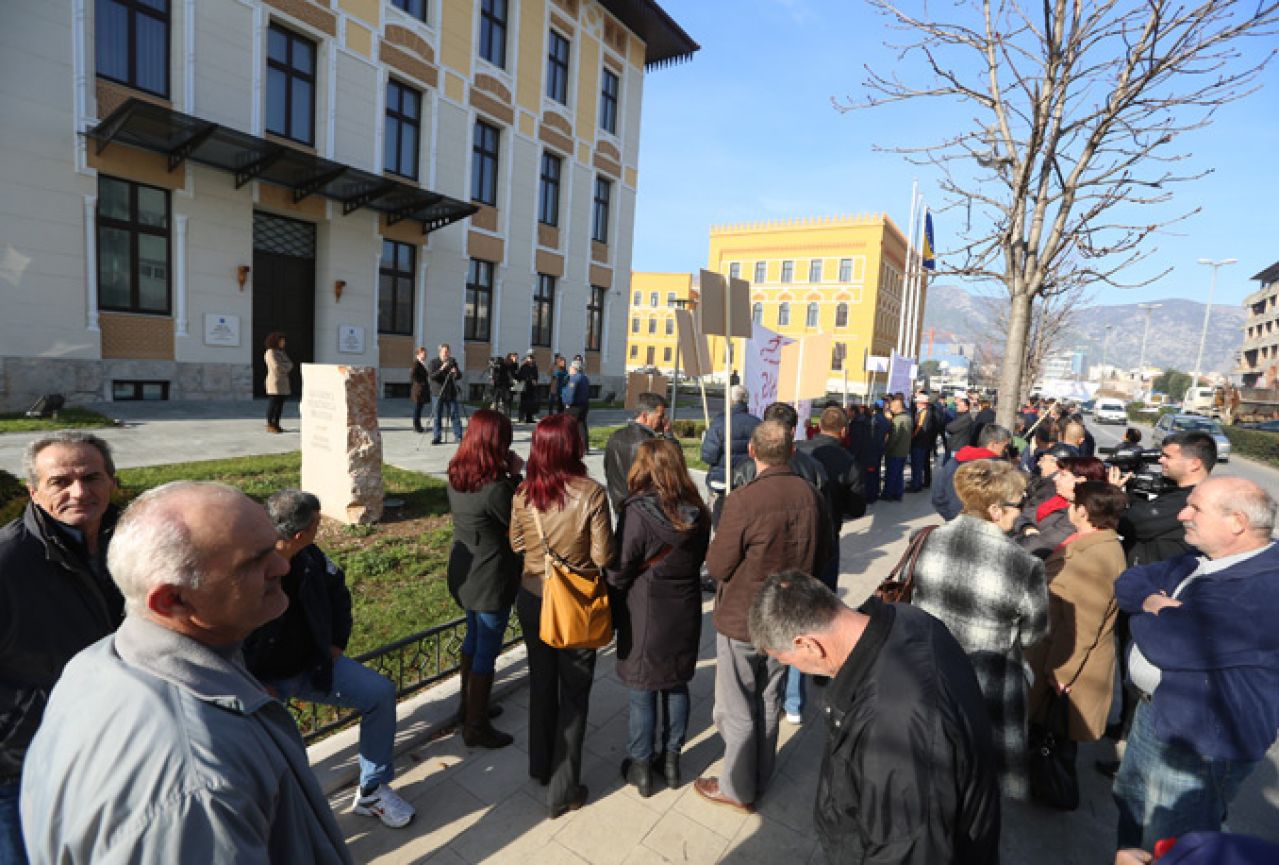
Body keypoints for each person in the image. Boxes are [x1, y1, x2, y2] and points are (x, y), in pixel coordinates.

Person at [20, 482, 352, 864]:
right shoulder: (198, 787)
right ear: (172, 600)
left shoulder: (97, 663)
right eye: (255, 561)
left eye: (273, 546)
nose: (282, 565)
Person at [749, 572, 1001, 865]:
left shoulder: (894, 725)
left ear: (807, 644)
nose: (795, 669)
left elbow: (909, 849)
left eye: (786, 659)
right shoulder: (907, 617)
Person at [1112, 477, 1279, 850]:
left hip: (1200, 745)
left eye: (1195, 508)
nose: (1182, 514)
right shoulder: (1199, 560)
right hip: (1154, 717)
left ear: (1237, 522)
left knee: (1173, 844)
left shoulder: (1265, 588)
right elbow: (1129, 580)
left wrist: (1145, 615)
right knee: (1131, 808)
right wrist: (1153, 603)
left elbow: (1166, 643)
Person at [243, 490, 415, 829]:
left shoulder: (309, 557)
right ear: (299, 534)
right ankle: (281, 825)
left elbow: (338, 591)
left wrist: (335, 642)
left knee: (378, 693)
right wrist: (252, 684)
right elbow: (224, 636)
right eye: (317, 524)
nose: (321, 528)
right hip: (259, 685)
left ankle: (372, 790)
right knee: (287, 752)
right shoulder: (245, 570)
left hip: (312, 666)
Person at [695, 420, 832, 813]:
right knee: (769, 697)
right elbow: (824, 556)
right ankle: (760, 774)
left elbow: (718, 565)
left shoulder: (743, 500)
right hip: (787, 618)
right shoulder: (811, 494)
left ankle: (738, 787)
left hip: (744, 618)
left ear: (752, 452)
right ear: (791, 451)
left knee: (736, 705)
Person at [0, 432, 125, 865]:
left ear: (112, 482)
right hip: (20, 766)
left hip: (104, 749)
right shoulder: (8, 562)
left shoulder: (127, 544)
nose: (79, 492)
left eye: (92, 477)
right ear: (33, 491)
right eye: (60, 482)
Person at [911, 459, 1049, 799]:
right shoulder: (1024, 564)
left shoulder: (926, 539)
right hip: (987, 685)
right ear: (996, 509)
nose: (1022, 513)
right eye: (1019, 505)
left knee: (929, 758)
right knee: (975, 778)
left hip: (928, 669)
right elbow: (1035, 634)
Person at [508, 414, 613, 819]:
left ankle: (539, 765)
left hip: (533, 595)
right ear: (573, 447)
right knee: (574, 693)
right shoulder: (592, 494)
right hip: (574, 602)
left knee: (541, 682)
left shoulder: (522, 493)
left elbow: (517, 542)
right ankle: (563, 790)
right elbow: (605, 556)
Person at [606, 439, 710, 797]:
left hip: (645, 610)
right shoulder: (699, 509)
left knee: (643, 689)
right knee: (676, 683)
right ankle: (671, 759)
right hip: (684, 608)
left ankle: (641, 765)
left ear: (645, 467)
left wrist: (612, 593)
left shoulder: (637, 513)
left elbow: (621, 568)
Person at [1024, 481, 1130, 799]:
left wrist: (1061, 672)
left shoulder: (1095, 559)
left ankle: (1054, 791)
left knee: (1056, 737)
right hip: (1057, 650)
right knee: (1050, 733)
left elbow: (1082, 627)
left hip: (1066, 662)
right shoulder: (1091, 543)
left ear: (1082, 511)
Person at [446, 410, 522, 750]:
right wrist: (517, 476)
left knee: (474, 637)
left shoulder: (457, 473)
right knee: (487, 647)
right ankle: (476, 726)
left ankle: (468, 706)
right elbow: (517, 524)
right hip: (491, 575)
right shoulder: (496, 489)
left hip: (466, 568)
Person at [1115, 430, 1216, 567]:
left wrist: (1113, 495)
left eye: (1168, 457)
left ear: (1195, 464)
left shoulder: (1190, 501)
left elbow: (1129, 524)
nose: (1160, 460)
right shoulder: (1180, 493)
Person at [1016, 455, 1107, 559]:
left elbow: (1041, 545)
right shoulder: (1054, 494)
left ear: (1080, 481)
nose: (1055, 478)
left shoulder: (1079, 513)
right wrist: (1027, 527)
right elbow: (1023, 514)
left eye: (1063, 475)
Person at [603, 392, 669, 515]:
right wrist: (669, 437)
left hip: (620, 502)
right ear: (645, 416)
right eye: (660, 416)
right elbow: (673, 470)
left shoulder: (614, 437)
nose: (662, 421)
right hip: (646, 509)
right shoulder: (650, 444)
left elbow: (608, 470)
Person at [700, 385, 762, 514]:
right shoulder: (758, 423)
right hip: (749, 480)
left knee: (719, 521)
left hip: (721, 482)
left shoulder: (719, 423)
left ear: (729, 401)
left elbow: (708, 456)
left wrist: (704, 441)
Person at [932, 423, 1011, 520]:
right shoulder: (997, 467)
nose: (1006, 450)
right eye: (1005, 446)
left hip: (956, 522)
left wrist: (953, 518)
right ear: (994, 444)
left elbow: (937, 496)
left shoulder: (954, 461)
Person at [428, 343, 465, 445]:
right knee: (437, 415)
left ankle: (458, 436)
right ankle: (437, 436)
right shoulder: (433, 362)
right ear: (440, 352)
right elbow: (432, 376)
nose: (447, 354)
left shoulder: (452, 362)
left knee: (455, 414)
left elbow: (459, 376)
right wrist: (442, 369)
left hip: (450, 392)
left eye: (448, 352)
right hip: (438, 392)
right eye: (445, 352)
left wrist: (455, 372)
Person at [907, 393, 938, 492]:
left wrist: (912, 437)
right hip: (921, 443)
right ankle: (916, 482)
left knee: (917, 465)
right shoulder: (923, 411)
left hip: (919, 443)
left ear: (922, 403)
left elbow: (920, 428)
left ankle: (916, 485)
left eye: (917, 402)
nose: (916, 404)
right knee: (917, 464)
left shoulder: (924, 413)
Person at [882, 397, 911, 501]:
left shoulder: (897, 420)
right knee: (899, 475)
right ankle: (898, 494)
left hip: (895, 452)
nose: (890, 408)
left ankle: (888, 494)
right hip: (904, 451)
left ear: (896, 407)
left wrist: (887, 449)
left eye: (891, 407)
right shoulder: (908, 418)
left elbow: (894, 438)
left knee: (891, 474)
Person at [264, 331, 293, 434]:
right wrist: (286, 367)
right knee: (273, 404)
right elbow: (276, 367)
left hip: (283, 382)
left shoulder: (281, 352)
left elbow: (290, 364)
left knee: (280, 405)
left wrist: (285, 366)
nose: (283, 342)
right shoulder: (270, 352)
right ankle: (270, 424)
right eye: (281, 340)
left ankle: (277, 424)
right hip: (275, 382)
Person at [563, 358, 592, 448]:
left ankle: (569, 446)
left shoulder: (574, 378)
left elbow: (571, 393)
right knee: (581, 425)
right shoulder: (585, 378)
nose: (569, 369)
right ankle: (585, 447)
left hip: (574, 406)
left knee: (568, 426)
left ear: (574, 368)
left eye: (570, 367)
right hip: (584, 404)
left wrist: (568, 403)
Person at [410, 345, 431, 434]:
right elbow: (413, 375)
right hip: (418, 390)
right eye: (423, 354)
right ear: (418, 355)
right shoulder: (416, 363)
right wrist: (421, 383)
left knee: (420, 408)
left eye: (425, 354)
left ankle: (418, 425)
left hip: (422, 390)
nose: (425, 356)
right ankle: (416, 426)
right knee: (417, 408)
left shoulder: (423, 364)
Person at [517, 351, 540, 423]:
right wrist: (529, 379)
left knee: (531, 403)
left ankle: (529, 418)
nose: (531, 359)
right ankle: (521, 418)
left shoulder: (535, 366)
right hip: (525, 387)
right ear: (527, 359)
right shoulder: (524, 367)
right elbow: (520, 376)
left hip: (532, 388)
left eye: (532, 358)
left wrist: (535, 380)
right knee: (523, 403)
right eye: (530, 358)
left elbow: (536, 375)